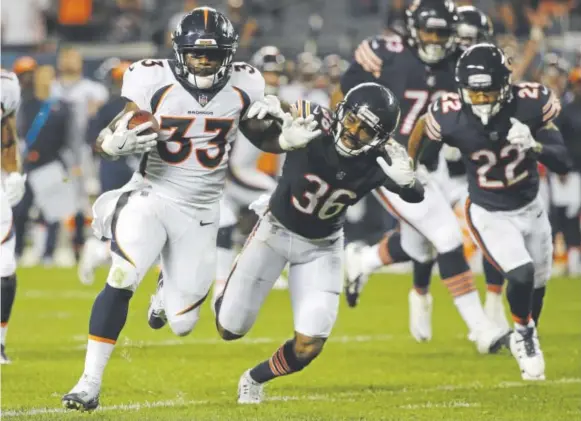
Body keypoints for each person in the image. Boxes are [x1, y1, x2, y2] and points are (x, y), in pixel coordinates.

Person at [61, 7, 320, 412]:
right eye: (197, 54)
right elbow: (114, 130)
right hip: (153, 193)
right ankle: (88, 383)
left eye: (213, 55)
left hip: (201, 210)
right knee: (123, 274)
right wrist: (108, 145)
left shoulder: (245, 83)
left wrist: (285, 140)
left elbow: (258, 134)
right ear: (179, 52)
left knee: (183, 325)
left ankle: (166, 287)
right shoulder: (150, 77)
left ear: (229, 55)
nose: (204, 62)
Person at [215, 82, 425, 404]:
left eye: (366, 130)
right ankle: (206, 281)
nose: (354, 132)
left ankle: (254, 378)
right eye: (352, 120)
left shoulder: (382, 158)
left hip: (322, 247)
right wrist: (276, 129)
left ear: (380, 137)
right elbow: (259, 129)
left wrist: (409, 181)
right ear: (341, 111)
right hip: (274, 231)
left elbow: (415, 194)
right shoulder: (313, 118)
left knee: (309, 345)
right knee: (229, 328)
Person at [342, 0, 508, 351]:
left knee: (419, 245)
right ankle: (483, 330)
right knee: (447, 237)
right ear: (412, 29)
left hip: (433, 166)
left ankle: (364, 260)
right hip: (388, 162)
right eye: (428, 30)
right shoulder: (387, 53)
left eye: (442, 32)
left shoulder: (459, 67)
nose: (434, 39)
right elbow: (351, 88)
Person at [413, 43, 570, 380]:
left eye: (488, 93)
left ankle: (527, 330)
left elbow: (564, 159)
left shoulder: (530, 104)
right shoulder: (450, 114)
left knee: (537, 286)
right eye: (475, 93)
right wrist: (415, 166)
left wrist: (536, 145)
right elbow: (423, 137)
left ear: (505, 85)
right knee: (521, 274)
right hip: (488, 210)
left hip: (530, 206)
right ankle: (525, 337)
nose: (481, 101)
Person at [0, 69, 27, 364]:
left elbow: (6, 132)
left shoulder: (7, 85)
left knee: (5, 266)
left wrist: (13, 173)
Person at [551, 67, 581, 276]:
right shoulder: (566, 110)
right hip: (570, 172)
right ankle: (567, 260)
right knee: (567, 214)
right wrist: (560, 165)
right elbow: (556, 140)